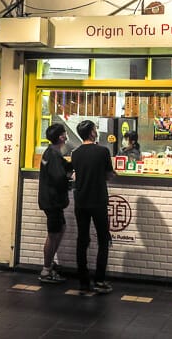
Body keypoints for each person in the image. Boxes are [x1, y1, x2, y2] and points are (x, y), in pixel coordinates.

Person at [71, 119, 115, 295]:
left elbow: (76, 173)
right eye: (95, 129)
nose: (96, 131)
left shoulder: (75, 153)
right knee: (103, 239)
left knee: (82, 240)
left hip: (81, 201)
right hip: (98, 201)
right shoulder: (102, 151)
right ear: (91, 132)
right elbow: (108, 175)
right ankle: (99, 280)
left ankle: (83, 282)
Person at [37, 123, 73, 283]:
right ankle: (46, 270)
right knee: (53, 234)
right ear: (61, 137)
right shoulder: (52, 154)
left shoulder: (51, 152)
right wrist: (70, 181)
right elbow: (59, 177)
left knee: (60, 229)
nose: (66, 136)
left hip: (51, 201)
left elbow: (65, 166)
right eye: (65, 133)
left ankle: (49, 264)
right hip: (53, 201)